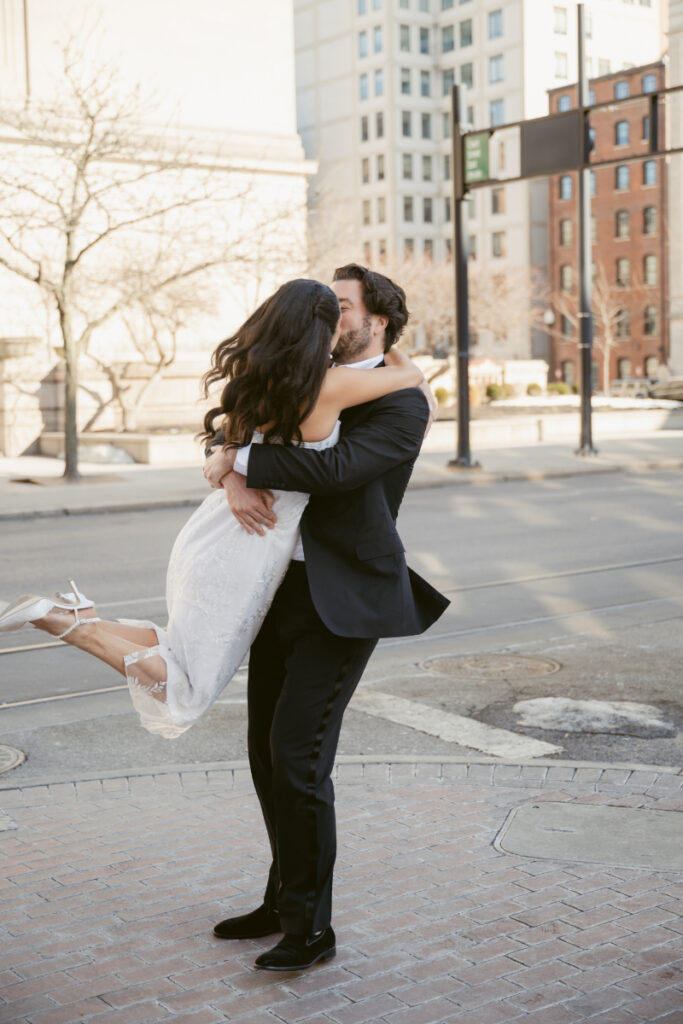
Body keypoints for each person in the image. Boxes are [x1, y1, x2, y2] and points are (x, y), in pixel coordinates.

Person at [0, 278, 426, 743]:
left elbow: (228, 438)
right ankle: (66, 623)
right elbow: (406, 380)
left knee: (180, 646)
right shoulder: (336, 384)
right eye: (336, 312)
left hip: (213, 530)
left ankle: (83, 618)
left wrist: (230, 464)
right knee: (188, 687)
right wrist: (231, 464)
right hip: (253, 541)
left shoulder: (260, 380)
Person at [204, 263, 449, 972]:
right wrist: (228, 469)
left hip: (344, 599)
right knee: (263, 750)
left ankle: (311, 928)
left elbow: (332, 471)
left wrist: (237, 464)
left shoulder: (402, 402)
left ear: (376, 321)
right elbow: (232, 430)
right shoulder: (300, 376)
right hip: (276, 588)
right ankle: (282, 897)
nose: (329, 318)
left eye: (341, 307)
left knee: (298, 757)